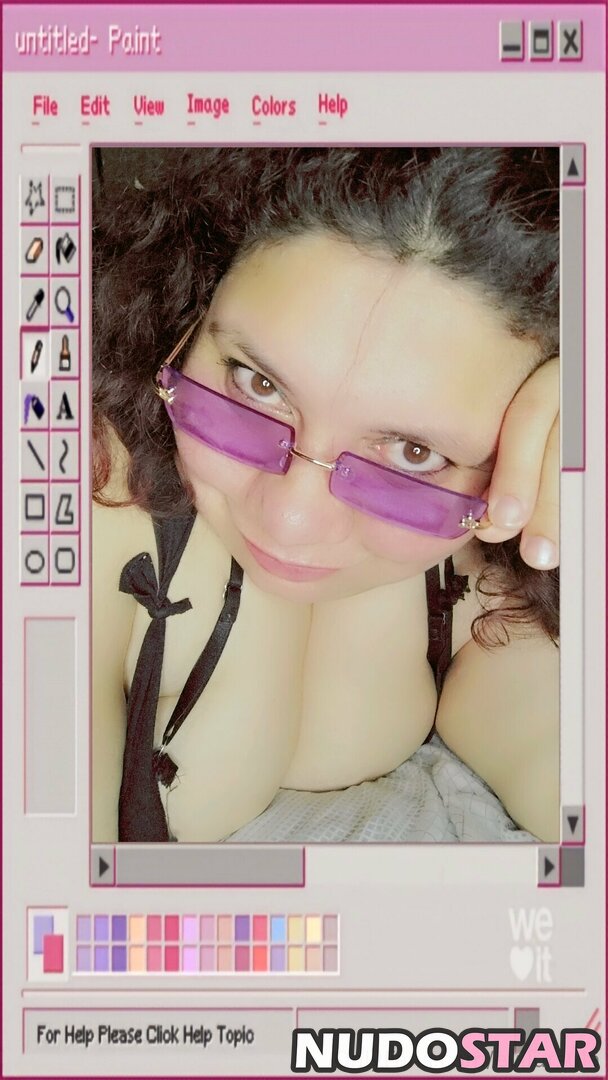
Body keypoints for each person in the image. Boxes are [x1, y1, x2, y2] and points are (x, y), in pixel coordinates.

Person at [92, 147, 560, 845]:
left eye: (412, 453)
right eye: (257, 384)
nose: (290, 519)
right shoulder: (90, 488)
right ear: (190, 310)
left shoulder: (472, 579)